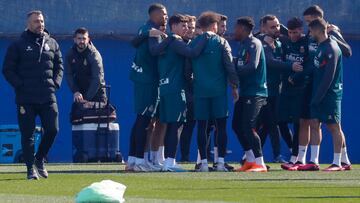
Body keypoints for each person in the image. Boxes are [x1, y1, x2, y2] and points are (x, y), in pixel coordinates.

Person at [283, 5, 352, 171]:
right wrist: (297, 76)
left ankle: (340, 160)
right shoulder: (314, 38)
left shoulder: (330, 37)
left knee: (333, 125)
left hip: (326, 88)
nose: (308, 27)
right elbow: (310, 61)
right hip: (312, 84)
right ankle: (311, 160)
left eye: (309, 22)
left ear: (318, 20)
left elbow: (347, 52)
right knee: (311, 121)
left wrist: (333, 35)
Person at [2, 10, 63, 180]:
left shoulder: (52, 43)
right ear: (28, 24)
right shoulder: (18, 45)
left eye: (42, 21)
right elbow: (7, 70)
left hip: (47, 95)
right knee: (28, 135)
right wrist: (20, 86)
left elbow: (60, 66)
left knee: (52, 129)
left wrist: (56, 83)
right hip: (26, 98)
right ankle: (30, 169)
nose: (40, 24)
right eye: (36, 21)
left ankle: (39, 159)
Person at [155, 14, 209, 171]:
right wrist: (205, 37)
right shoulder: (175, 41)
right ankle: (170, 162)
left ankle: (167, 160)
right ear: (173, 27)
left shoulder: (168, 41)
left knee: (172, 125)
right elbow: (192, 53)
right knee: (175, 125)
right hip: (175, 89)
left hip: (166, 88)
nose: (186, 29)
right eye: (183, 26)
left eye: (187, 26)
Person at [189, 11, 239, 172]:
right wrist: (234, 86)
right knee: (221, 126)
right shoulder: (221, 42)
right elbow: (229, 66)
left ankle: (203, 162)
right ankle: (220, 162)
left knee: (202, 127)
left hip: (200, 91)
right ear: (213, 25)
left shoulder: (193, 42)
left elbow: (186, 69)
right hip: (218, 91)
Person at [127, 3, 171, 172]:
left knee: (141, 119)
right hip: (147, 80)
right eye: (164, 14)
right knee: (144, 121)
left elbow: (135, 42)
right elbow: (153, 51)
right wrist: (169, 41)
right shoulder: (152, 30)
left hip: (143, 79)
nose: (166, 17)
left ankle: (133, 159)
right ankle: (139, 161)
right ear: (154, 15)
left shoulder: (145, 28)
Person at [257, 15, 303, 163]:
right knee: (270, 124)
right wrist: (291, 66)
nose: (277, 29)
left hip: (277, 91)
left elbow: (288, 31)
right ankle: (270, 155)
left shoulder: (279, 41)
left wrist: (279, 26)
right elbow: (270, 62)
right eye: (272, 27)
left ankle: (252, 156)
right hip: (264, 92)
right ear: (263, 28)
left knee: (273, 124)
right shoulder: (261, 43)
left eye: (277, 26)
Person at [307, 18, 347, 171]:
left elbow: (328, 78)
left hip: (330, 95)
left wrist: (317, 98)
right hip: (318, 94)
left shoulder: (331, 48)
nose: (309, 33)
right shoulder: (321, 47)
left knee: (334, 127)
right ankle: (313, 161)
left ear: (318, 30)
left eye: (311, 30)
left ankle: (338, 163)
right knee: (314, 124)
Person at [232, 16, 268, 172]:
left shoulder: (254, 44)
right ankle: (250, 160)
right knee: (236, 126)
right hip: (245, 92)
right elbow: (238, 64)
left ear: (243, 29)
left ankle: (261, 163)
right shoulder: (242, 46)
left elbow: (252, 66)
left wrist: (234, 73)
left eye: (236, 28)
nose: (234, 31)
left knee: (249, 126)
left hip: (256, 92)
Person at [65, 27, 106, 103]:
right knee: (75, 114)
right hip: (80, 95)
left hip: (97, 96)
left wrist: (86, 99)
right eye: (79, 38)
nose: (82, 41)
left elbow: (97, 79)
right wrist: (76, 91)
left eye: (84, 38)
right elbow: (68, 74)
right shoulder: (70, 54)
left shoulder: (94, 55)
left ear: (88, 39)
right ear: (74, 39)